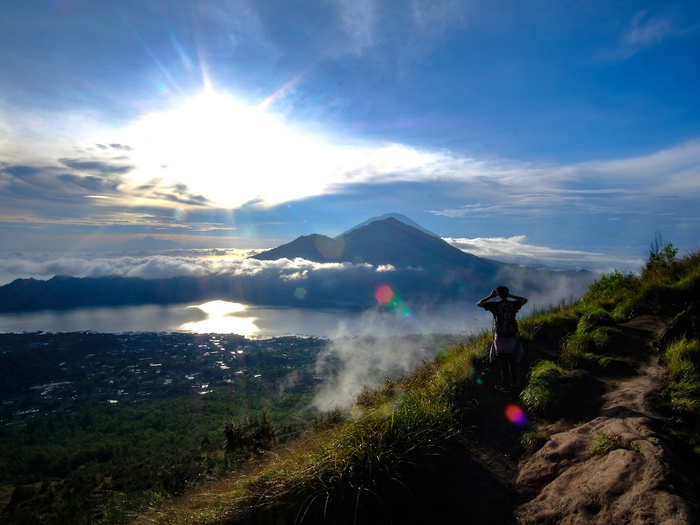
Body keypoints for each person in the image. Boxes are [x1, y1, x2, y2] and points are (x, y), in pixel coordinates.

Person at [476, 286, 527, 392]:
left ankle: (505, 386)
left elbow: (479, 303)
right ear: (507, 293)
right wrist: (511, 296)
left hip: (500, 338)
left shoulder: (495, 305)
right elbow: (524, 300)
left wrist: (490, 296)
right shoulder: (513, 304)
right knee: (513, 361)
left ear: (497, 295)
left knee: (503, 362)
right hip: (512, 336)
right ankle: (515, 384)